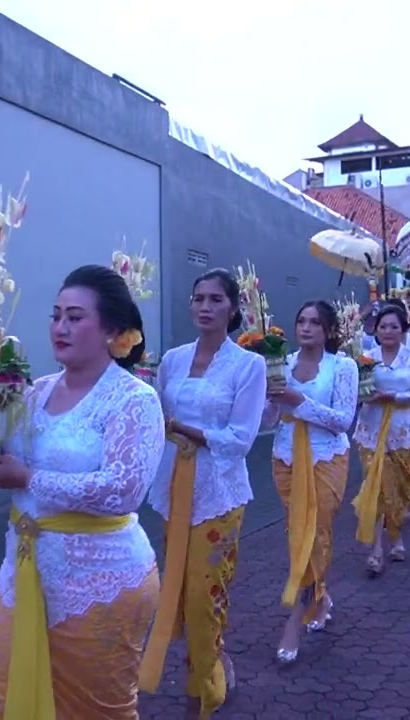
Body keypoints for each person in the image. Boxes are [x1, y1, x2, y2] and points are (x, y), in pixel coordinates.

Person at [0, 265, 165, 720]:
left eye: (75, 317)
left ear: (113, 330)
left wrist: (28, 479)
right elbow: (1, 456)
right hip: (24, 570)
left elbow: (124, 490)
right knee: (3, 699)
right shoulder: (33, 392)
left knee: (94, 710)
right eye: (56, 315)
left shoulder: (133, 399)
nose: (60, 327)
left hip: (101, 580)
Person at [139, 268, 266, 719]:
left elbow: (240, 438)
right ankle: (211, 662)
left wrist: (186, 430)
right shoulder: (172, 360)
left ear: (233, 308)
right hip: (174, 487)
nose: (205, 307)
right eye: (198, 298)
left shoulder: (249, 365)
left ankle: (206, 687)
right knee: (176, 590)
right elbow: (153, 412)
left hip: (219, 491)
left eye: (215, 299)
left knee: (205, 592)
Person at [261, 300, 357, 664]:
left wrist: (297, 400)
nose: (306, 328)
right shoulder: (279, 363)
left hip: (326, 457)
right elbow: (270, 419)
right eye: (301, 320)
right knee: (297, 533)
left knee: (316, 532)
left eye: (315, 322)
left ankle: (293, 620)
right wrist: (269, 397)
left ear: (329, 330)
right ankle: (319, 595)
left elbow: (343, 420)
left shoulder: (343, 366)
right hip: (285, 456)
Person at [351, 303, 410, 576]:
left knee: (400, 489)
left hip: (404, 431)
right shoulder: (365, 358)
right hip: (371, 431)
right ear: (375, 329)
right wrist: (366, 396)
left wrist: (393, 397)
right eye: (383, 326)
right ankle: (376, 550)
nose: (388, 331)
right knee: (378, 487)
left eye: (394, 327)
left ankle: (396, 537)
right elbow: (358, 392)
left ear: (404, 330)